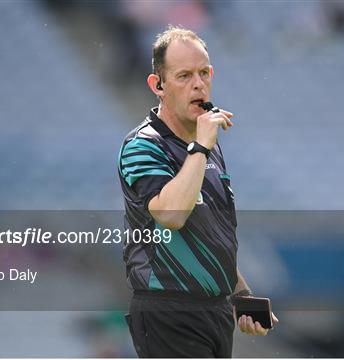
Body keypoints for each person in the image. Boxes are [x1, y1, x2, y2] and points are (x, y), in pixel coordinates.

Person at [118, 25, 278, 358]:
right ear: (157, 85)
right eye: (184, 75)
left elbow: (209, 234)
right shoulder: (143, 146)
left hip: (214, 312)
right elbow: (171, 215)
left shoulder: (206, 149)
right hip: (169, 310)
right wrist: (201, 147)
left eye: (204, 73)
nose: (198, 84)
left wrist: (241, 294)